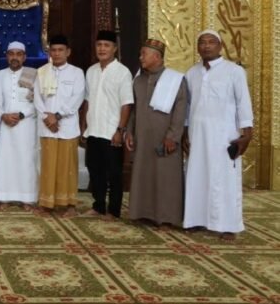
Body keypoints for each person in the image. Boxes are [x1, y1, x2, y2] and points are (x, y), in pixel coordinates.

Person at [182, 29, 253, 241]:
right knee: (197, 176)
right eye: (202, 42)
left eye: (211, 42)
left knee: (225, 179)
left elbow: (243, 102)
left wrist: (247, 134)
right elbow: (187, 106)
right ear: (197, 47)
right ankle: (196, 220)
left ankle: (228, 225)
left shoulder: (234, 71)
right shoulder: (192, 73)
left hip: (224, 135)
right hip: (197, 134)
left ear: (220, 46)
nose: (206, 46)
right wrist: (185, 132)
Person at [125, 38, 187, 230]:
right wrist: (129, 131)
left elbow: (180, 111)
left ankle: (166, 218)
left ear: (157, 57)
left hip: (165, 139)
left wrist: (173, 137)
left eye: (144, 54)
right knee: (143, 175)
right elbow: (134, 109)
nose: (140, 57)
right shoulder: (138, 80)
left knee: (166, 178)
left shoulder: (176, 80)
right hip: (143, 138)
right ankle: (142, 213)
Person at [82, 30, 133, 221]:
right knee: (95, 170)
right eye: (99, 45)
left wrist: (120, 130)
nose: (102, 49)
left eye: (106, 45)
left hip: (112, 131)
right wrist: (83, 126)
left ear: (115, 48)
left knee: (114, 173)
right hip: (94, 129)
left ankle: (114, 210)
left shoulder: (122, 72)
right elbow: (87, 100)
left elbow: (126, 104)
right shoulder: (91, 71)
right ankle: (98, 206)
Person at [33, 35, 85, 217]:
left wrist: (57, 116)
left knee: (67, 167)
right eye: (53, 50)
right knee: (47, 166)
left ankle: (70, 205)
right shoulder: (41, 72)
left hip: (67, 126)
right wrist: (48, 118)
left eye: (60, 50)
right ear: (49, 52)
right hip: (47, 126)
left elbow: (77, 98)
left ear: (68, 52)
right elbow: (37, 99)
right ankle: (47, 204)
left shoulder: (77, 73)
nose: (56, 53)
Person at [0, 41, 39, 209]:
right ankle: (4, 198)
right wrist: (3, 115)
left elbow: (37, 101)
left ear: (24, 57)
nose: (15, 57)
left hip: (26, 125)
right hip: (5, 125)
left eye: (19, 54)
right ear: (6, 56)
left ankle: (27, 198)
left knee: (26, 160)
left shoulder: (33, 74)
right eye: (11, 54)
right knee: (5, 160)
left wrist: (21, 115)